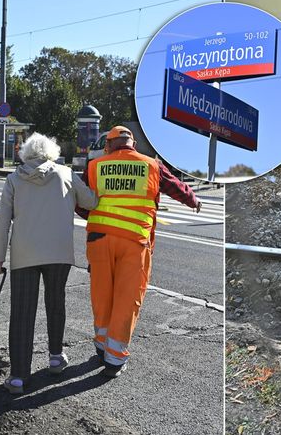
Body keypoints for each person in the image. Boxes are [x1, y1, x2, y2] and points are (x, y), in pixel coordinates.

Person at [85, 126, 201, 378]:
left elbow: (82, 201)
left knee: (102, 294)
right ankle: (114, 359)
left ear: (110, 144)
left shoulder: (95, 166)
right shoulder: (151, 165)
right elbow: (176, 187)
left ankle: (101, 345)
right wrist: (194, 200)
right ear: (132, 144)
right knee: (127, 299)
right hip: (134, 242)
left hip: (99, 240)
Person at [0, 133, 98, 394]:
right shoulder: (65, 173)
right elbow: (91, 202)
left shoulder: (14, 179)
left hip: (24, 254)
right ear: (52, 152)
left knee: (22, 312)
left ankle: (18, 376)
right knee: (55, 301)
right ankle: (55, 357)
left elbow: (2, 221)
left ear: (24, 155)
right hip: (59, 252)